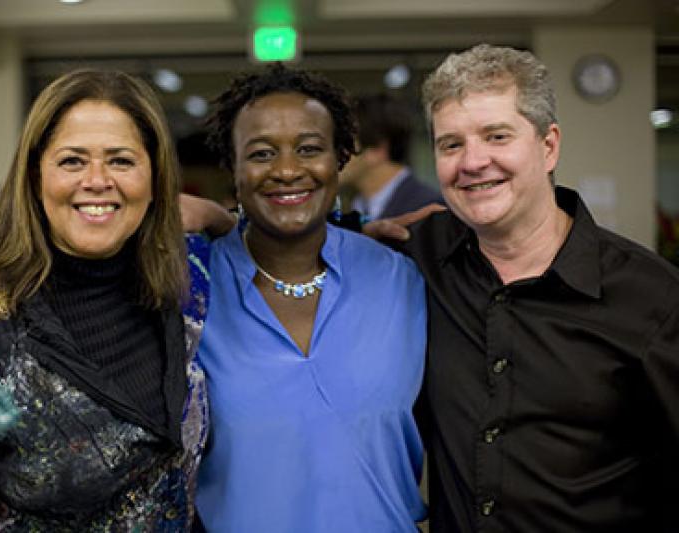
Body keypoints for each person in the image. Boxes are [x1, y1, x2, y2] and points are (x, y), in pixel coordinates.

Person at [0, 69, 211, 532]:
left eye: (121, 160)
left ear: (155, 176)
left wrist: (220, 218)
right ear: (35, 176)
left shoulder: (183, 279)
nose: (97, 180)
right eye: (73, 161)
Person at [398, 44, 679, 531]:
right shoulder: (416, 260)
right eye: (451, 144)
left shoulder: (653, 296)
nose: (473, 161)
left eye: (496, 135)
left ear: (549, 146)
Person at [194, 63, 428, 532]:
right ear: (233, 166)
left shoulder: (401, 280)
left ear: (341, 157)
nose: (286, 170)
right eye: (261, 153)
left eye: (309, 149)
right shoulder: (193, 292)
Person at [339, 93, 441, 220]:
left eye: (343, 144)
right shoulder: (356, 208)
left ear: (376, 150)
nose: (332, 155)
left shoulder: (429, 211)